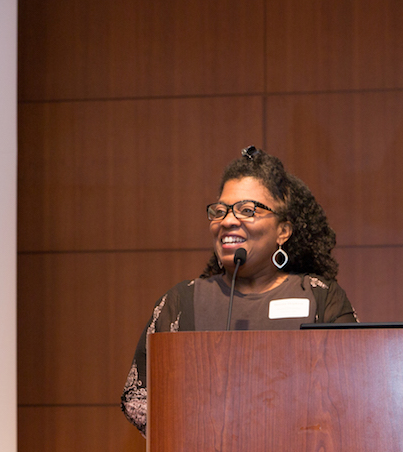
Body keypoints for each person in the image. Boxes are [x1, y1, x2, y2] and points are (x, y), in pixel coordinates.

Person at [121, 146, 357, 436]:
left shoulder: (321, 298)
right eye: (220, 211)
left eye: (247, 210)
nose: (228, 221)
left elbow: (354, 391)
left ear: (283, 231)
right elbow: (138, 399)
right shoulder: (182, 302)